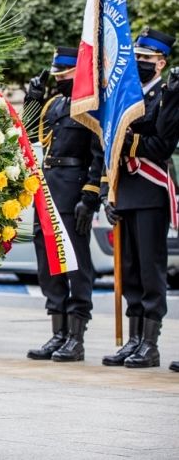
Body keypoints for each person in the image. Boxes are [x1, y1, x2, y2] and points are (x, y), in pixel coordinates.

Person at [102, 28, 179, 369]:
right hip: (126, 190)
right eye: (137, 58)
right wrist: (107, 192)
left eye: (146, 59)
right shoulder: (126, 95)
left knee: (150, 270)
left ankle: (150, 343)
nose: (139, 63)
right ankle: (133, 338)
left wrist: (130, 141)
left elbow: (162, 144)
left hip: (150, 190)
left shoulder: (168, 94)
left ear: (161, 63)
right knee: (130, 270)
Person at [24, 47, 104, 362]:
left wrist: (90, 195)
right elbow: (30, 134)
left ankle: (76, 336)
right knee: (48, 265)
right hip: (47, 189)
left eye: (64, 74)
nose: (58, 79)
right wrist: (32, 98)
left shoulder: (90, 106)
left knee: (75, 266)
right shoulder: (54, 104)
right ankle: (57, 331)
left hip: (73, 192)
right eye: (56, 74)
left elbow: (98, 154)